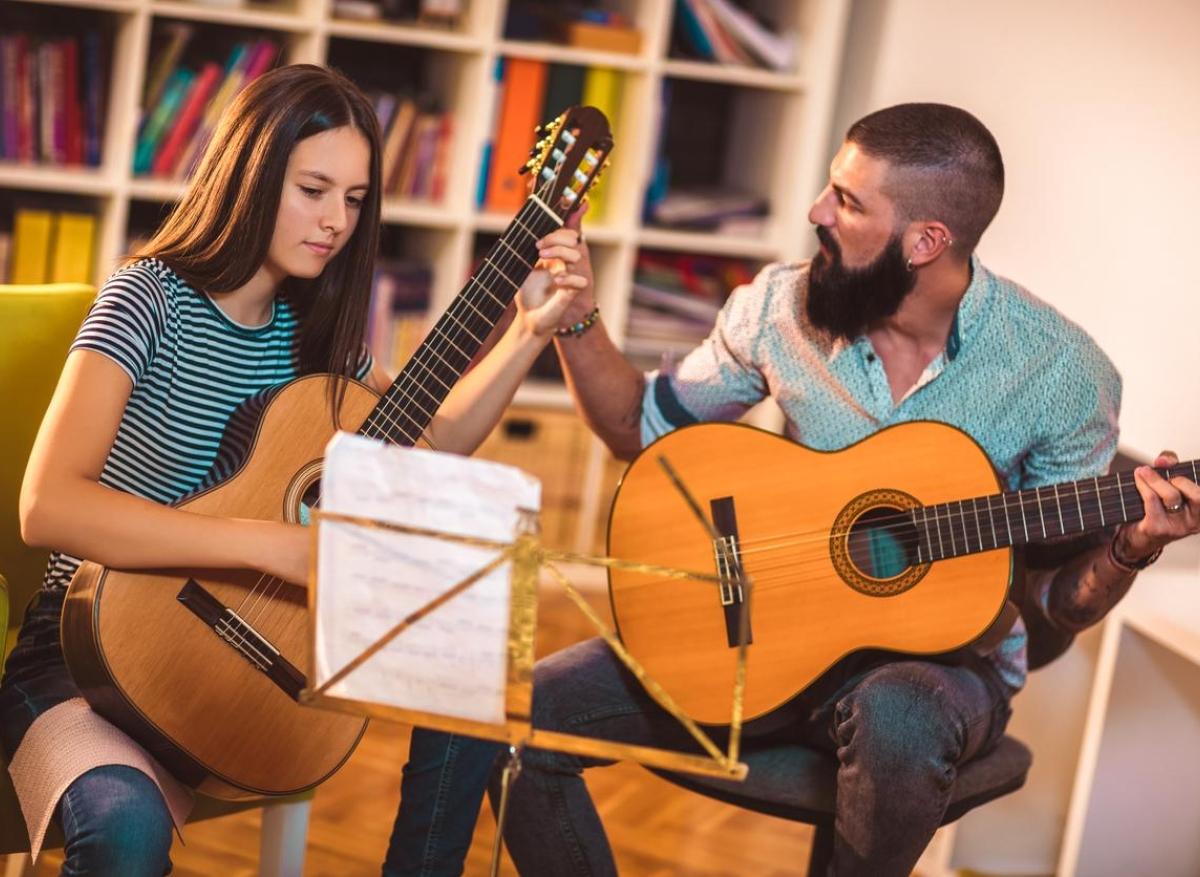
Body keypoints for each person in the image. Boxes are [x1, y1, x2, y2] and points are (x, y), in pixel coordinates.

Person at [382, 103, 1200, 876]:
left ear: (924, 241)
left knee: (898, 715)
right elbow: (643, 426)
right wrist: (576, 314)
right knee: (515, 713)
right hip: (761, 621)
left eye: (846, 200)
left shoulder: (1061, 375)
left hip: (941, 665)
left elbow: (1058, 602)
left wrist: (1131, 545)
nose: (816, 210)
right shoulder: (781, 307)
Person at [1, 64, 589, 875]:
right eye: (314, 189)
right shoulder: (148, 299)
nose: (335, 222)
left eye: (353, 200)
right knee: (125, 829)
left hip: (243, 662)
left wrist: (530, 331)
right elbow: (48, 508)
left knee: (476, 653)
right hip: (87, 656)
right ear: (251, 173)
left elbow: (437, 433)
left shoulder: (315, 334)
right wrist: (268, 545)